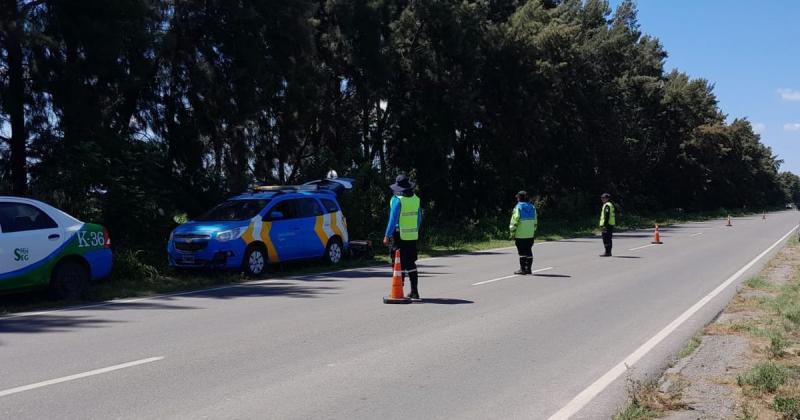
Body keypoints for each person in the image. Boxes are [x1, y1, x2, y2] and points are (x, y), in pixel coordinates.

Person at [383, 174, 422, 300]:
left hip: (399, 235)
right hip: (412, 235)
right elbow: (419, 218)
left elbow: (392, 219)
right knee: (410, 263)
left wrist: (387, 235)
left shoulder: (397, 200)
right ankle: (414, 291)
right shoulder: (416, 199)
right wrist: (414, 230)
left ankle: (398, 290)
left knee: (397, 263)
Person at [509, 190, 537, 274]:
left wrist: (512, 232)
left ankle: (522, 269)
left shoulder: (518, 207)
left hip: (520, 234)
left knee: (521, 252)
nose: (517, 198)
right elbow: (535, 221)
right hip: (530, 234)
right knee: (528, 250)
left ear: (519, 198)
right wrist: (533, 230)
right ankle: (528, 269)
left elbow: (514, 221)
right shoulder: (532, 207)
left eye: (517, 197)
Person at [599, 193, 616, 257]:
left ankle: (607, 252)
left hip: (607, 225)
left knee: (606, 238)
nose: (602, 199)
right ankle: (608, 252)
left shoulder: (607, 205)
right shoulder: (610, 205)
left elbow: (606, 216)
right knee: (608, 238)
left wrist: (604, 225)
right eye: (602, 198)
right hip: (610, 224)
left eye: (603, 198)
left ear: (607, 198)